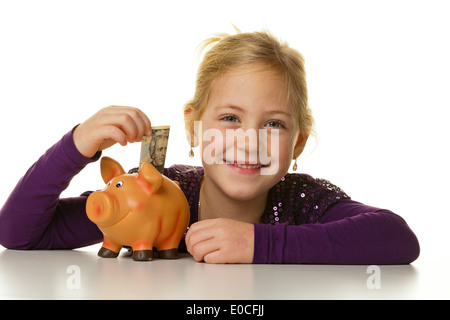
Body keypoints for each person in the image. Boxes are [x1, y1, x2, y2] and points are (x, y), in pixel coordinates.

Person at [0, 31, 420, 264]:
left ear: (299, 143)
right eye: (230, 118)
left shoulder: (303, 201)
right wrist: (74, 147)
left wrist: (260, 244)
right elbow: (17, 234)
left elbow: (396, 238)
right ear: (194, 127)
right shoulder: (159, 193)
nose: (247, 140)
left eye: (273, 124)